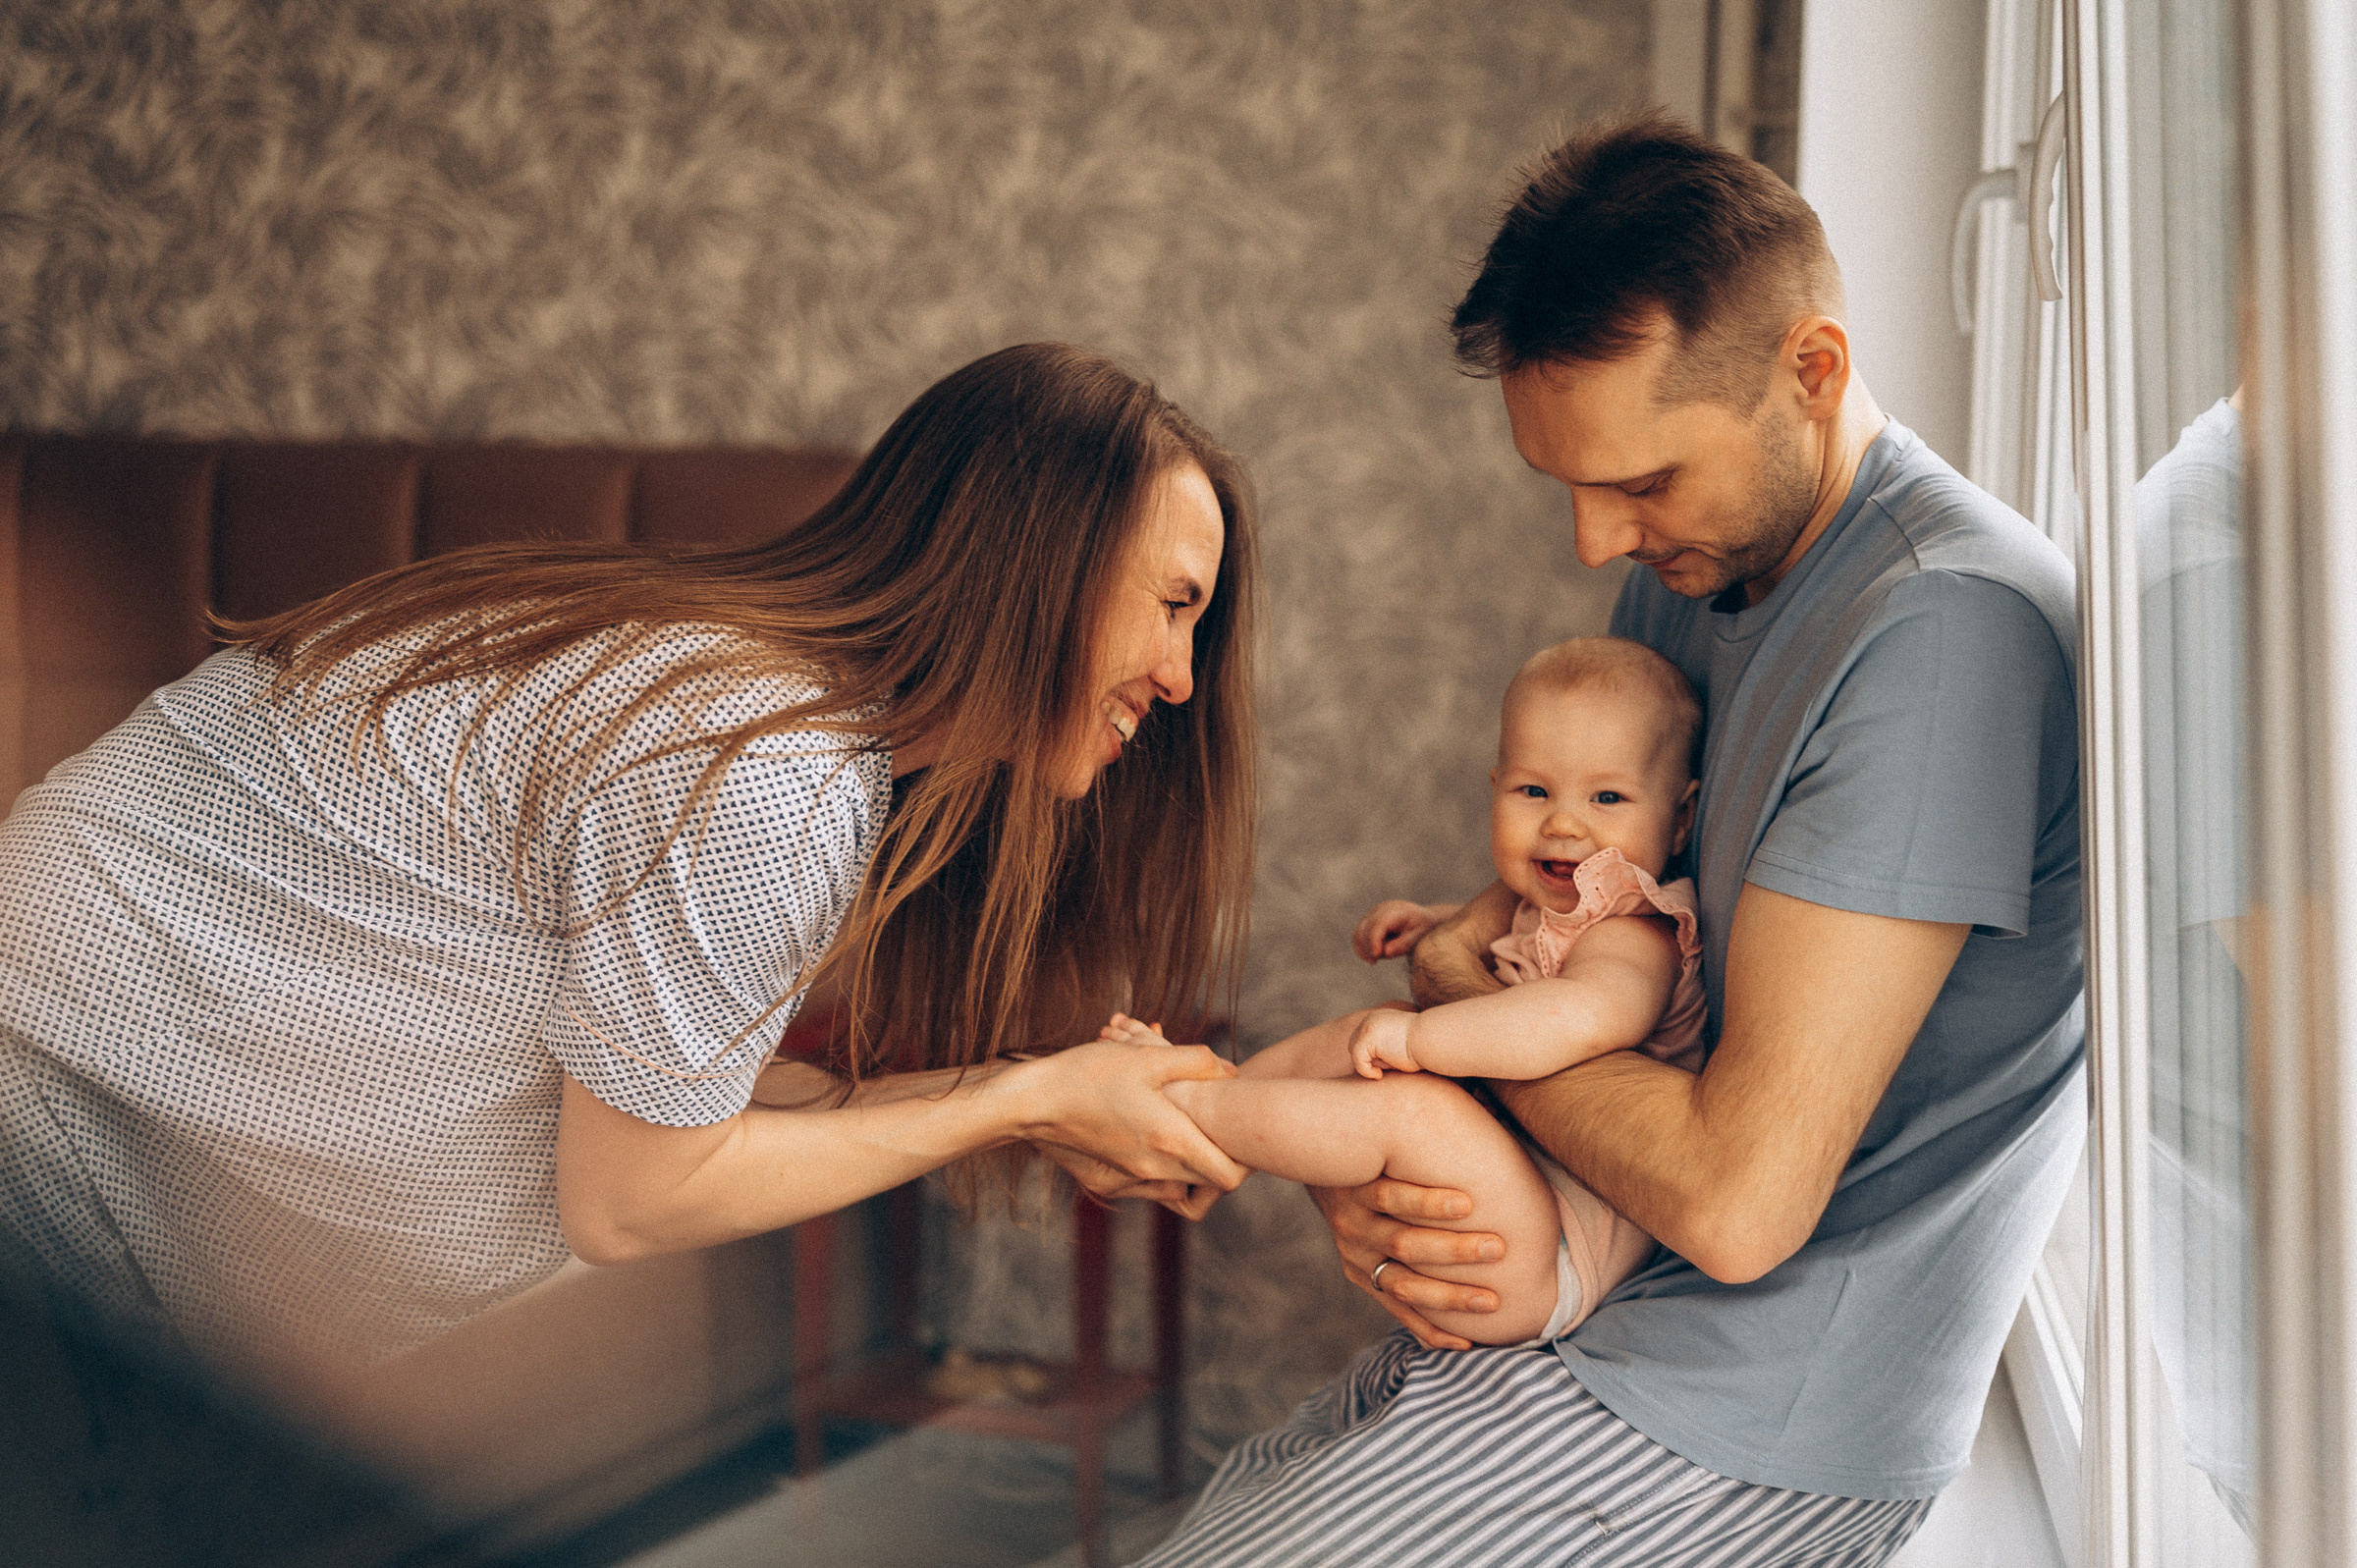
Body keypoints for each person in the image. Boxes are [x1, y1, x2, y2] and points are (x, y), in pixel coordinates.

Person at [1139, 113, 2083, 1566]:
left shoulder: (1945, 633)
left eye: (1640, 483)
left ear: (1811, 372)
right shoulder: (1701, 577)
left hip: (1754, 1418)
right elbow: (1588, 934)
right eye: (1569, 484)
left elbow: (1734, 1196)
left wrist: (1459, 1000)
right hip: (1608, 1303)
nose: (1593, 543)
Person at [0, 342, 1261, 1374]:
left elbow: (669, 1099)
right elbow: (638, 1197)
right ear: (1041, 561)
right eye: (1174, 604)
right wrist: (1027, 1098)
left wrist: (1036, 1093)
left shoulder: (744, 699)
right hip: (51, 1156)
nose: (1180, 677)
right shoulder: (772, 768)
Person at [1101, 635, 1705, 1347]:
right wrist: (1445, 922)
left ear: (1681, 817)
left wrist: (1422, 1037)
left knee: (1411, 1097)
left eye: (1607, 796)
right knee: (1377, 1022)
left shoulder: (1637, 930)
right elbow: (1536, 957)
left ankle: (1183, 1107)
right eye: (1533, 790)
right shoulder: (1568, 910)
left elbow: (1577, 1013)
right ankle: (1209, 1115)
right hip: (1516, 1197)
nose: (1563, 822)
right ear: (1496, 785)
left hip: (1555, 1252)